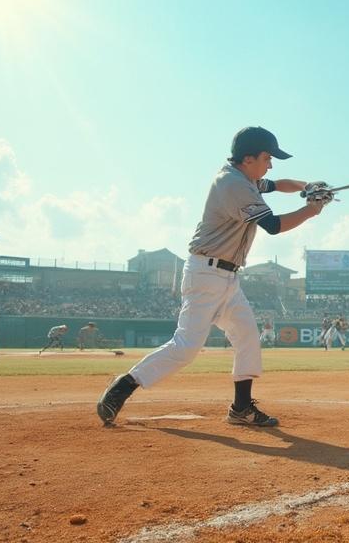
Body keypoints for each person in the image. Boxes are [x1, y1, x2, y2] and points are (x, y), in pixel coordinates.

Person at [97, 126, 327, 428]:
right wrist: (312, 209)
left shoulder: (245, 177)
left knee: (247, 336)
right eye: (267, 157)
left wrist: (306, 185)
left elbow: (276, 184)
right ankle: (124, 385)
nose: (270, 164)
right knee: (186, 347)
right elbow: (272, 225)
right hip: (206, 274)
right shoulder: (234, 185)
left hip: (227, 277)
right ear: (248, 158)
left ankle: (241, 408)